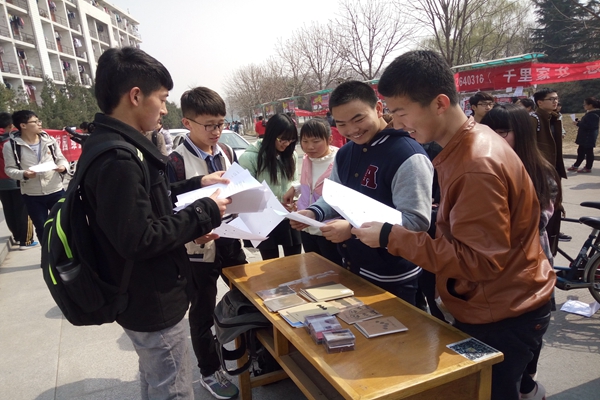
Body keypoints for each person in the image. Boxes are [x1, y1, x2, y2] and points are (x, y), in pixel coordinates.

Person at [352, 50, 555, 400]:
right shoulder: (470, 142)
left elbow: (479, 261)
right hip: (503, 300)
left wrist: (390, 236)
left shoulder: (475, 164)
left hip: (502, 311)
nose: (397, 124)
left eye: (400, 111)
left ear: (440, 103)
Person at [81, 47, 230, 399]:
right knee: (173, 388)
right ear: (136, 96)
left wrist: (197, 184)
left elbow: (150, 199)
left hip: (140, 294)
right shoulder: (118, 158)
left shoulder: (114, 144)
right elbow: (140, 238)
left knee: (155, 379)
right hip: (151, 298)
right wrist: (205, 210)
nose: (164, 109)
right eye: (162, 99)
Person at [291, 81, 433, 305]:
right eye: (342, 124)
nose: (352, 130)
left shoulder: (407, 155)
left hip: (392, 275)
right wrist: (313, 212)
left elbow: (416, 222)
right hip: (352, 266)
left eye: (358, 119)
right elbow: (334, 195)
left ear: (378, 109)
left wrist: (351, 229)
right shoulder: (346, 153)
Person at [167, 86, 243, 400]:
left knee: (247, 297)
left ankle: (254, 353)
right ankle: (210, 371)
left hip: (230, 239)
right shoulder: (175, 161)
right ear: (187, 122)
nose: (216, 131)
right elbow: (169, 209)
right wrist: (193, 232)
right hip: (197, 249)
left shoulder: (226, 152)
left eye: (220, 124)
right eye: (209, 125)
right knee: (202, 312)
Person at [480, 103, 561, 399]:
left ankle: (528, 384)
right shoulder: (482, 164)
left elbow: (535, 222)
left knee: (527, 339)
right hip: (493, 275)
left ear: (523, 134)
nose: (495, 137)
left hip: (530, 268)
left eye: (503, 132)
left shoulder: (541, 173)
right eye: (490, 130)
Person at [239, 113, 301, 260]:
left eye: (291, 140)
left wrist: (295, 199)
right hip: (264, 219)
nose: (286, 144)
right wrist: (273, 205)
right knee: (269, 264)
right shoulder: (251, 157)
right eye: (282, 139)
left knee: (295, 262)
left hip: (288, 217)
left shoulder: (290, 155)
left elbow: (294, 182)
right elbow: (246, 193)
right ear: (271, 134)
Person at [283, 118, 342, 266]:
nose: (310, 147)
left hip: (329, 230)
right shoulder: (307, 160)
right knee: (314, 269)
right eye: (305, 141)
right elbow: (311, 184)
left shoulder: (340, 161)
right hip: (307, 228)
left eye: (316, 141)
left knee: (333, 271)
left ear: (329, 139)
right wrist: (295, 188)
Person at [3, 110, 69, 241]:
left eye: (39, 121)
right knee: (42, 228)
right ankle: (48, 253)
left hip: (55, 189)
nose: (39, 124)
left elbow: (61, 159)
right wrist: (24, 174)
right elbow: (9, 169)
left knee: (64, 225)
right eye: (35, 122)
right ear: (23, 125)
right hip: (32, 194)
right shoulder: (11, 146)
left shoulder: (49, 140)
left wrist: (62, 167)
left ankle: (67, 252)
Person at [532, 88, 568, 244]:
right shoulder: (534, 119)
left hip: (553, 171)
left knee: (553, 207)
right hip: (541, 172)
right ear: (540, 103)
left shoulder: (553, 118)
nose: (555, 102)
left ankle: (551, 243)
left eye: (556, 98)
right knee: (544, 210)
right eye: (551, 99)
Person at [0, 112, 36, 249]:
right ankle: (26, 241)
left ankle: (17, 236)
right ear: (11, 125)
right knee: (22, 209)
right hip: (15, 178)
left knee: (9, 210)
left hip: (1, 183)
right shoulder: (10, 141)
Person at [568, 97, 600, 173]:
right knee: (581, 151)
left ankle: (588, 167)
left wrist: (578, 124)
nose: (584, 106)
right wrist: (579, 122)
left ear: (590, 105)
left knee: (588, 152)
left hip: (588, 136)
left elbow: (590, 126)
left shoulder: (593, 114)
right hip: (586, 136)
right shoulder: (591, 113)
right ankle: (576, 165)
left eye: (585, 104)